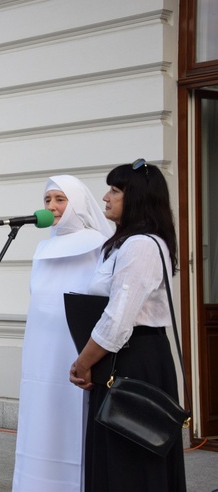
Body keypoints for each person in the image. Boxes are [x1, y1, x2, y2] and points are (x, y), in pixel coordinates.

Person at [69, 159, 187, 491]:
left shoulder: (140, 246)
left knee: (129, 461)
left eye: (115, 190)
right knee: (123, 457)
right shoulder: (127, 242)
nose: (106, 197)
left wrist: (83, 362)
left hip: (132, 359)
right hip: (124, 356)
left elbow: (118, 319)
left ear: (137, 198)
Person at [12, 175, 113, 491]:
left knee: (73, 424)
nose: (52, 207)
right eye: (47, 200)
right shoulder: (43, 246)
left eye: (60, 199)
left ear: (78, 203)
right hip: (40, 353)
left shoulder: (99, 244)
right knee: (39, 424)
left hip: (76, 351)